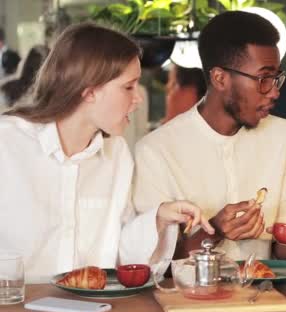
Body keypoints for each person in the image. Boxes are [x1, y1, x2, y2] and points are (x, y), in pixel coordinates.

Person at [0, 23, 213, 283]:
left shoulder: (117, 154)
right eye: (128, 87)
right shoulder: (7, 142)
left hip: (94, 308)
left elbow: (120, 254)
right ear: (89, 91)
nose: (139, 98)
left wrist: (159, 217)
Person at [133, 11, 286, 261]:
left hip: (262, 295)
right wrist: (215, 231)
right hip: (187, 297)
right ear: (220, 78)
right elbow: (155, 264)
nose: (274, 92)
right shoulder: (156, 150)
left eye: (276, 78)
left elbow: (282, 246)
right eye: (264, 78)